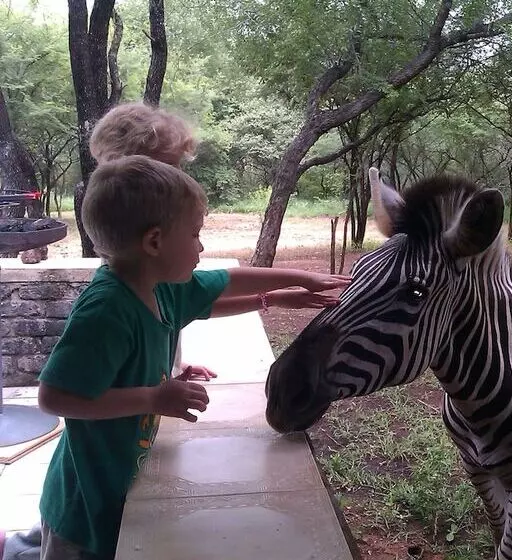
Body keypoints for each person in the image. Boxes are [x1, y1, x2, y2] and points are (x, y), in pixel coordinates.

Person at [36, 155, 350, 559]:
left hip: (116, 484)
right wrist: (153, 397)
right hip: (82, 509)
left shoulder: (156, 283)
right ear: (154, 242)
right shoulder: (107, 309)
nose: (201, 247)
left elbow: (222, 284)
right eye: (195, 234)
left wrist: (295, 281)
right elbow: (54, 398)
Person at [88, 100, 329, 380]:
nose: (178, 177)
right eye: (170, 168)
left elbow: (190, 302)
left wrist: (170, 368)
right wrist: (153, 399)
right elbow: (62, 396)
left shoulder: (140, 272)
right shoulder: (109, 305)